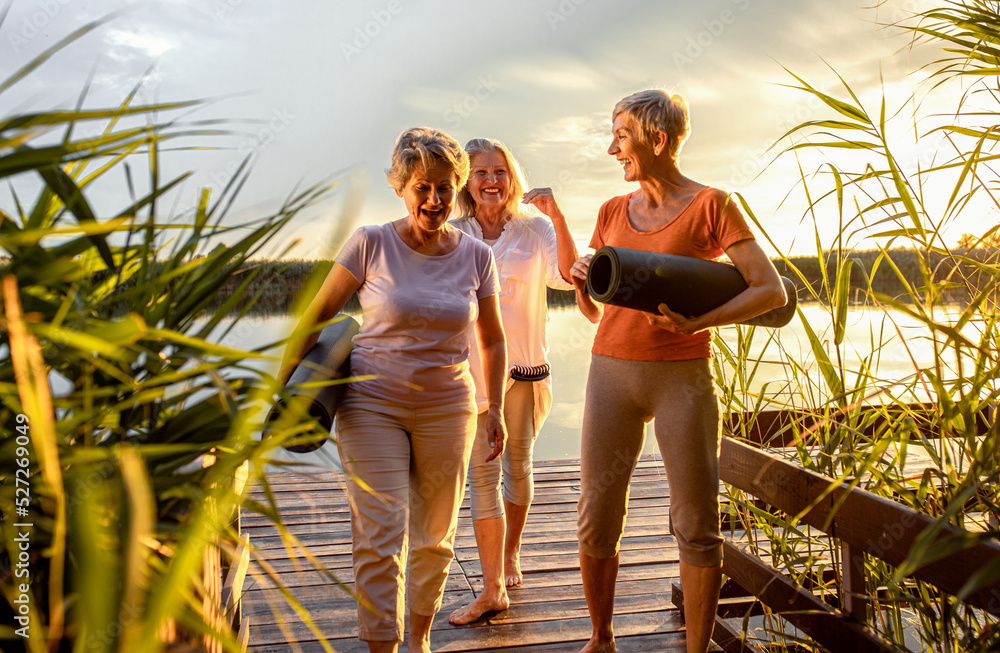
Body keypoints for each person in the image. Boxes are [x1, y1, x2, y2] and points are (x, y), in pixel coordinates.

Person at [569, 90, 787, 653]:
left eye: (621, 135)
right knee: (596, 512)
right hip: (609, 374)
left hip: (682, 379)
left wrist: (700, 323)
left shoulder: (713, 204)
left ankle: (695, 650)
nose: (612, 146)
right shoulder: (612, 212)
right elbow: (597, 311)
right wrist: (580, 285)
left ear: (657, 140)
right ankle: (601, 637)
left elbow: (770, 290)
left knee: (695, 519)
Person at [277, 127, 508, 653]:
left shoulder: (477, 256)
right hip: (371, 403)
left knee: (435, 539)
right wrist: (281, 393)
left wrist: (492, 407)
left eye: (445, 187)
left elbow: (492, 341)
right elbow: (315, 318)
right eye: (422, 187)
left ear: (460, 187)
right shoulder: (370, 242)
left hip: (449, 406)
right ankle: (383, 645)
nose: (434, 199)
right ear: (401, 187)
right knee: (380, 536)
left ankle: (418, 642)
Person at [446, 138, 578, 625]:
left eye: (499, 171)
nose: (490, 181)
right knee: (481, 475)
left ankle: (510, 550)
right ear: (466, 182)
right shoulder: (454, 232)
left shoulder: (535, 227)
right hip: (470, 375)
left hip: (524, 371)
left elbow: (567, 277)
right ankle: (492, 584)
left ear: (512, 177)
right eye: (479, 172)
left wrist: (558, 217)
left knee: (517, 466)